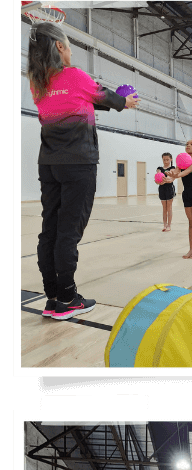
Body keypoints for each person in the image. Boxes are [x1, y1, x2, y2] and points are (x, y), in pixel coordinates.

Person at [25, 20, 140, 319]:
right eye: (69, 46)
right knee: (68, 233)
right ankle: (68, 298)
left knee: (49, 230)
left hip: (49, 164)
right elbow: (102, 96)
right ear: (60, 47)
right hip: (78, 163)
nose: (72, 52)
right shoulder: (74, 75)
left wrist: (116, 103)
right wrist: (124, 102)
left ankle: (52, 297)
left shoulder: (37, 83)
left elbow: (83, 100)